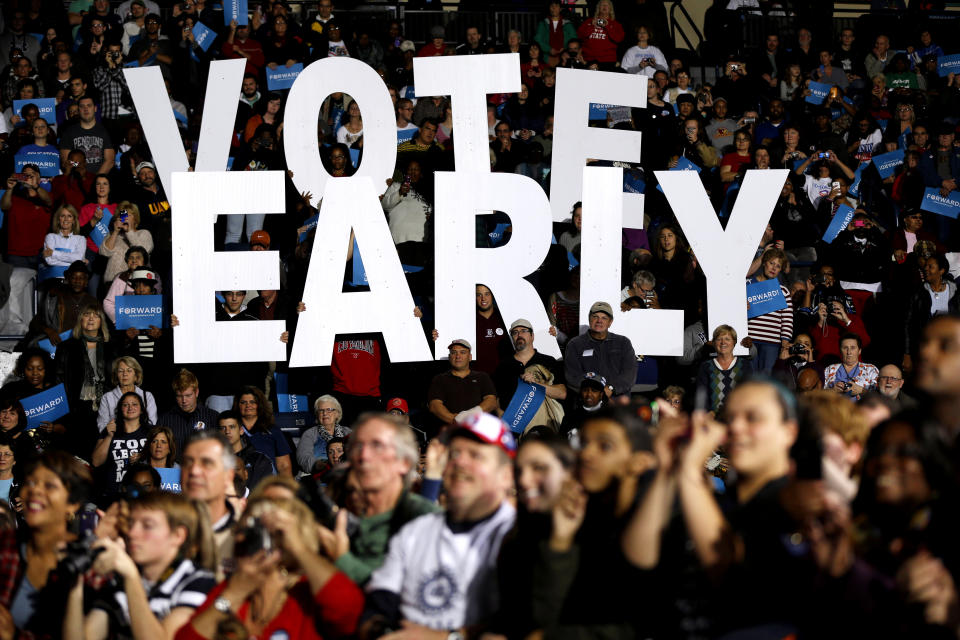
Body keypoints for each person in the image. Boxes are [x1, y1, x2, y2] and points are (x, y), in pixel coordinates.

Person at [361, 411, 516, 636]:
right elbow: (377, 607)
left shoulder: (518, 535)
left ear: (506, 475)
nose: (460, 462)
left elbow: (520, 627)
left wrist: (446, 637)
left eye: (475, 455)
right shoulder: (416, 531)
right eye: (454, 453)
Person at [176, 493, 364, 640]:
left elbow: (350, 612)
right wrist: (232, 594)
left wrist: (299, 549)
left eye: (258, 532)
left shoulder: (305, 595)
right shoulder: (231, 590)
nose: (243, 538)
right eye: (242, 530)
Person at [63, 492, 218, 640]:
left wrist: (132, 577)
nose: (132, 533)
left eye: (147, 526)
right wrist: (75, 585)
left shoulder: (199, 582)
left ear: (178, 535)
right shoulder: (121, 579)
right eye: (131, 523)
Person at [318, 413, 438, 585]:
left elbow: (403, 593)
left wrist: (341, 559)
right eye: (358, 446)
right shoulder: (339, 514)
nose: (364, 455)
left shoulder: (425, 519)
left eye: (377, 446)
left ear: (404, 462)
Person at [8, 452, 94, 636]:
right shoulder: (6, 547)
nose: (35, 491)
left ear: (73, 504)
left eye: (49, 485)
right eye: (30, 482)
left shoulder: (91, 565)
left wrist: (14, 635)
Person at [55, 304, 117, 458]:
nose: (91, 318)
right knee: (78, 456)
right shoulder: (66, 347)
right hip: (77, 410)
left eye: (96, 315)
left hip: (106, 408)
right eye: (86, 314)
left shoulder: (112, 347)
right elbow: (58, 380)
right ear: (80, 320)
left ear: (101, 321)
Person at [493, 319, 566, 433]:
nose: (519, 335)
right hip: (514, 426)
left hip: (545, 425)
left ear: (532, 336)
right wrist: (501, 417)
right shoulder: (503, 366)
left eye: (523, 331)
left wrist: (536, 384)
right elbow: (496, 398)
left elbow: (562, 393)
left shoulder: (548, 361)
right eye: (515, 332)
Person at [180, 430, 236, 580]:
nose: (194, 471)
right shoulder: (158, 529)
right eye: (187, 462)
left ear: (228, 476)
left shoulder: (246, 536)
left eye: (207, 463)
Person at [564, 301, 638, 405]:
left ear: (610, 322)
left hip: (618, 400)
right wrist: (595, 392)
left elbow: (629, 374)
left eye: (604, 318)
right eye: (595, 316)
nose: (599, 321)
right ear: (589, 319)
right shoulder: (575, 344)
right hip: (587, 401)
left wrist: (611, 388)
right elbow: (572, 377)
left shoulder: (623, 342)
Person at [427, 339, 498, 426]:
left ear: (470, 357)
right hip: (450, 432)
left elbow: (491, 401)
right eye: (454, 352)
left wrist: (469, 416)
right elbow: (434, 405)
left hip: (478, 430)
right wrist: (455, 420)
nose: (458, 356)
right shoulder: (440, 379)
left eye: (463, 352)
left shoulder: (482, 377)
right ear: (449, 357)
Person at [746, 248, 794, 373]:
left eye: (778, 266)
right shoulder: (747, 285)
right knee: (750, 378)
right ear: (764, 263)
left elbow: (787, 319)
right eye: (771, 263)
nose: (774, 268)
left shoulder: (783, 291)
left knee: (766, 379)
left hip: (772, 343)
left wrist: (785, 342)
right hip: (750, 341)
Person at [93, 391, 152, 490]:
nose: (130, 408)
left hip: (143, 493)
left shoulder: (151, 432)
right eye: (125, 405)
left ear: (141, 409)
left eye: (134, 404)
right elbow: (96, 462)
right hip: (115, 492)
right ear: (120, 409)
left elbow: (163, 459)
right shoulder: (109, 430)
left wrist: (143, 457)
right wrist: (109, 436)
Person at [1, 164, 53, 270]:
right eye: (25, 175)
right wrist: (10, 189)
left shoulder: (46, 196)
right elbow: (4, 206)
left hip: (41, 254)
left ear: (39, 179)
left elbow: (49, 201)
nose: (28, 178)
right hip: (17, 254)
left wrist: (36, 187)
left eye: (32, 175)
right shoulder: (14, 197)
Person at [157, 369, 220, 453]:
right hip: (173, 465)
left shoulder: (212, 417)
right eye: (179, 396)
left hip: (203, 465)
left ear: (196, 392)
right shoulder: (164, 420)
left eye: (188, 395)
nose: (184, 400)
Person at [233, 387, 292, 477]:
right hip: (240, 482)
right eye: (243, 402)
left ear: (259, 405)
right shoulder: (230, 430)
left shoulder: (273, 430)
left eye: (252, 402)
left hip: (267, 482)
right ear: (238, 405)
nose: (248, 405)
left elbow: (284, 466)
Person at [696, 324, 754, 415]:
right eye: (719, 339)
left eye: (727, 339)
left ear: (734, 342)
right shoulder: (706, 367)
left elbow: (750, 394)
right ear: (713, 343)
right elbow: (701, 398)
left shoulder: (745, 365)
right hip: (713, 420)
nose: (723, 343)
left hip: (738, 418)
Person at [217, 410, 273, 494]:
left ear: (241, 430)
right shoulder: (213, 460)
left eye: (232, 427)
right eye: (223, 428)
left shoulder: (259, 460)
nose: (227, 431)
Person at [97, 356, 158, 432]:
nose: (125, 374)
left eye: (129, 370)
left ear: (136, 375)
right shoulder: (107, 397)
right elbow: (102, 426)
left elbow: (152, 423)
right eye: (120, 371)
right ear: (116, 375)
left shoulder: (147, 396)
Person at [99, 201, 154, 284]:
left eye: (129, 215)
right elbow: (104, 252)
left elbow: (143, 250)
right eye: (123, 215)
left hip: (133, 282)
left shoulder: (143, 233)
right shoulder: (113, 234)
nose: (126, 218)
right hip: (111, 282)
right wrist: (115, 232)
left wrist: (129, 231)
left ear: (135, 219)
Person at [296, 395, 351, 472]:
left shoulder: (347, 432)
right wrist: (322, 466)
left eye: (329, 410)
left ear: (337, 413)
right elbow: (303, 459)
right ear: (317, 415)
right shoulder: (310, 434)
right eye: (321, 410)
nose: (325, 413)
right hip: (319, 476)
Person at [824, 333, 879, 400]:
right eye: (845, 348)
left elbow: (880, 396)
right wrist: (832, 391)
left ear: (859, 351)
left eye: (853, 348)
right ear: (840, 351)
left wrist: (862, 391)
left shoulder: (871, 369)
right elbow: (817, 395)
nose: (849, 352)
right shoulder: (830, 370)